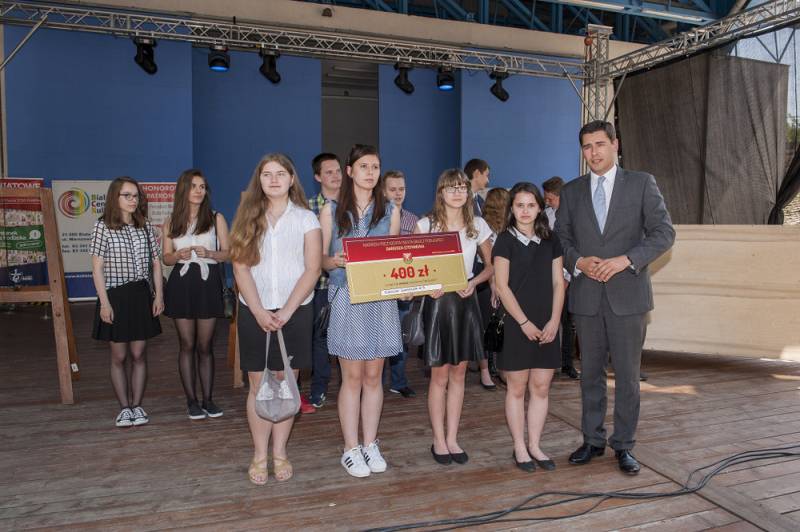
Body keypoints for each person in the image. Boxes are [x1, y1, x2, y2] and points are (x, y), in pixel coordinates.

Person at [556, 121, 674, 475]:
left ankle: (623, 445)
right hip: (587, 298)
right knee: (590, 375)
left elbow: (664, 233)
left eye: (600, 144)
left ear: (615, 145)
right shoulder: (571, 191)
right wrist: (578, 261)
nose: (593, 152)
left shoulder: (641, 183)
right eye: (587, 146)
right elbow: (560, 238)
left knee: (627, 377)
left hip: (629, 297)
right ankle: (592, 440)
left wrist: (627, 260)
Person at [230, 153, 321, 485]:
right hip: (254, 311)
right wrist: (258, 311)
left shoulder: (307, 219)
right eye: (267, 174)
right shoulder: (246, 216)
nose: (273, 179)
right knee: (258, 387)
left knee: (285, 385)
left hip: (294, 311)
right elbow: (240, 267)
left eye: (280, 173)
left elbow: (312, 269)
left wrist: (286, 311)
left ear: (292, 179)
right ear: (259, 180)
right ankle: (259, 455)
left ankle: (280, 452)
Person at [320, 144, 402, 478]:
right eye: (364, 166)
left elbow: (395, 258)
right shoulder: (331, 210)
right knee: (351, 377)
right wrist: (334, 261)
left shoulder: (390, 210)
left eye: (375, 167)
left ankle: (370, 443)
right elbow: (321, 260)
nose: (370, 172)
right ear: (350, 171)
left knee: (373, 376)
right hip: (347, 295)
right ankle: (350, 448)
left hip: (380, 299)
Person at [415, 169, 494, 466]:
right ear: (441, 193)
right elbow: (411, 269)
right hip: (438, 304)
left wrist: (474, 283)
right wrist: (427, 286)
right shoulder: (425, 225)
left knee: (459, 374)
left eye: (462, 187)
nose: (458, 193)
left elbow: (491, 266)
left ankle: (452, 438)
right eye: (451, 188)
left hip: (466, 301)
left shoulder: (478, 225)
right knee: (439, 375)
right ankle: (438, 439)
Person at [493, 182, 564, 473]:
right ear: (512, 208)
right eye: (520, 205)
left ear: (540, 208)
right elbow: (502, 286)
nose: (525, 211)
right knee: (517, 387)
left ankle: (535, 444)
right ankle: (519, 447)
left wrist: (555, 320)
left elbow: (559, 282)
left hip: (547, 324)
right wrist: (523, 322)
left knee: (541, 387)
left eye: (531, 205)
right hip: (517, 324)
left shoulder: (551, 239)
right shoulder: (504, 241)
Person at [90, 176, 163, 428]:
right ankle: (124, 408)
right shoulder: (102, 226)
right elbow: (97, 269)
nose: (133, 200)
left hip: (141, 295)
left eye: (136, 195)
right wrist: (105, 303)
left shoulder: (145, 226)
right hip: (116, 297)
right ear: (115, 197)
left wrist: (159, 295)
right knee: (119, 356)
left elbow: (156, 264)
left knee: (139, 353)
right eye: (127, 195)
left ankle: (137, 405)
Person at [162, 169, 229, 420]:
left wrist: (210, 254)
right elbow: (166, 258)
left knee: (205, 345)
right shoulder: (171, 221)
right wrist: (176, 255)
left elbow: (229, 253)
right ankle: (191, 401)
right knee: (186, 345)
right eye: (193, 186)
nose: (199, 191)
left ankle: (208, 400)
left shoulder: (216, 218)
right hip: (181, 284)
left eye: (202, 187)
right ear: (183, 190)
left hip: (207, 284)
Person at [306, 152, 343, 411]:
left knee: (348, 337)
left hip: (348, 285)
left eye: (338, 170)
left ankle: (350, 387)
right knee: (320, 338)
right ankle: (319, 389)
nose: (335, 176)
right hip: (319, 284)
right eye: (329, 172)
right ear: (317, 177)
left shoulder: (353, 205)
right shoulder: (307, 207)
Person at [382, 170, 418, 398]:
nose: (398, 193)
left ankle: (398, 381)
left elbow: (416, 255)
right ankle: (374, 383)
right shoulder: (375, 217)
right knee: (377, 337)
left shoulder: (413, 220)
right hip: (380, 286)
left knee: (402, 337)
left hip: (404, 287)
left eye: (401, 189)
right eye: (393, 189)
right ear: (383, 191)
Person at [542, 176, 579, 380]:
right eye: (546, 199)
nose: (547, 202)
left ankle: (567, 363)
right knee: (548, 318)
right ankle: (550, 360)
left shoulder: (574, 216)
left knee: (568, 322)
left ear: (561, 196)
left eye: (550, 199)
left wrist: (566, 277)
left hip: (569, 276)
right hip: (548, 274)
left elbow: (572, 250)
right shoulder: (546, 216)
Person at [463, 158, 494, 387]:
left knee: (481, 320)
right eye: (486, 174)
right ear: (476, 173)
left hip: (479, 270)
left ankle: (483, 368)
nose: (488, 180)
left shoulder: (479, 203)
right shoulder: (464, 201)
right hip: (465, 269)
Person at [477, 187, 510, 387]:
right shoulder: (485, 228)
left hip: (493, 282)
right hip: (489, 283)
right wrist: (494, 285)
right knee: (492, 326)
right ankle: (489, 367)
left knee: (491, 326)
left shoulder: (506, 228)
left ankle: (492, 366)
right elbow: (488, 261)